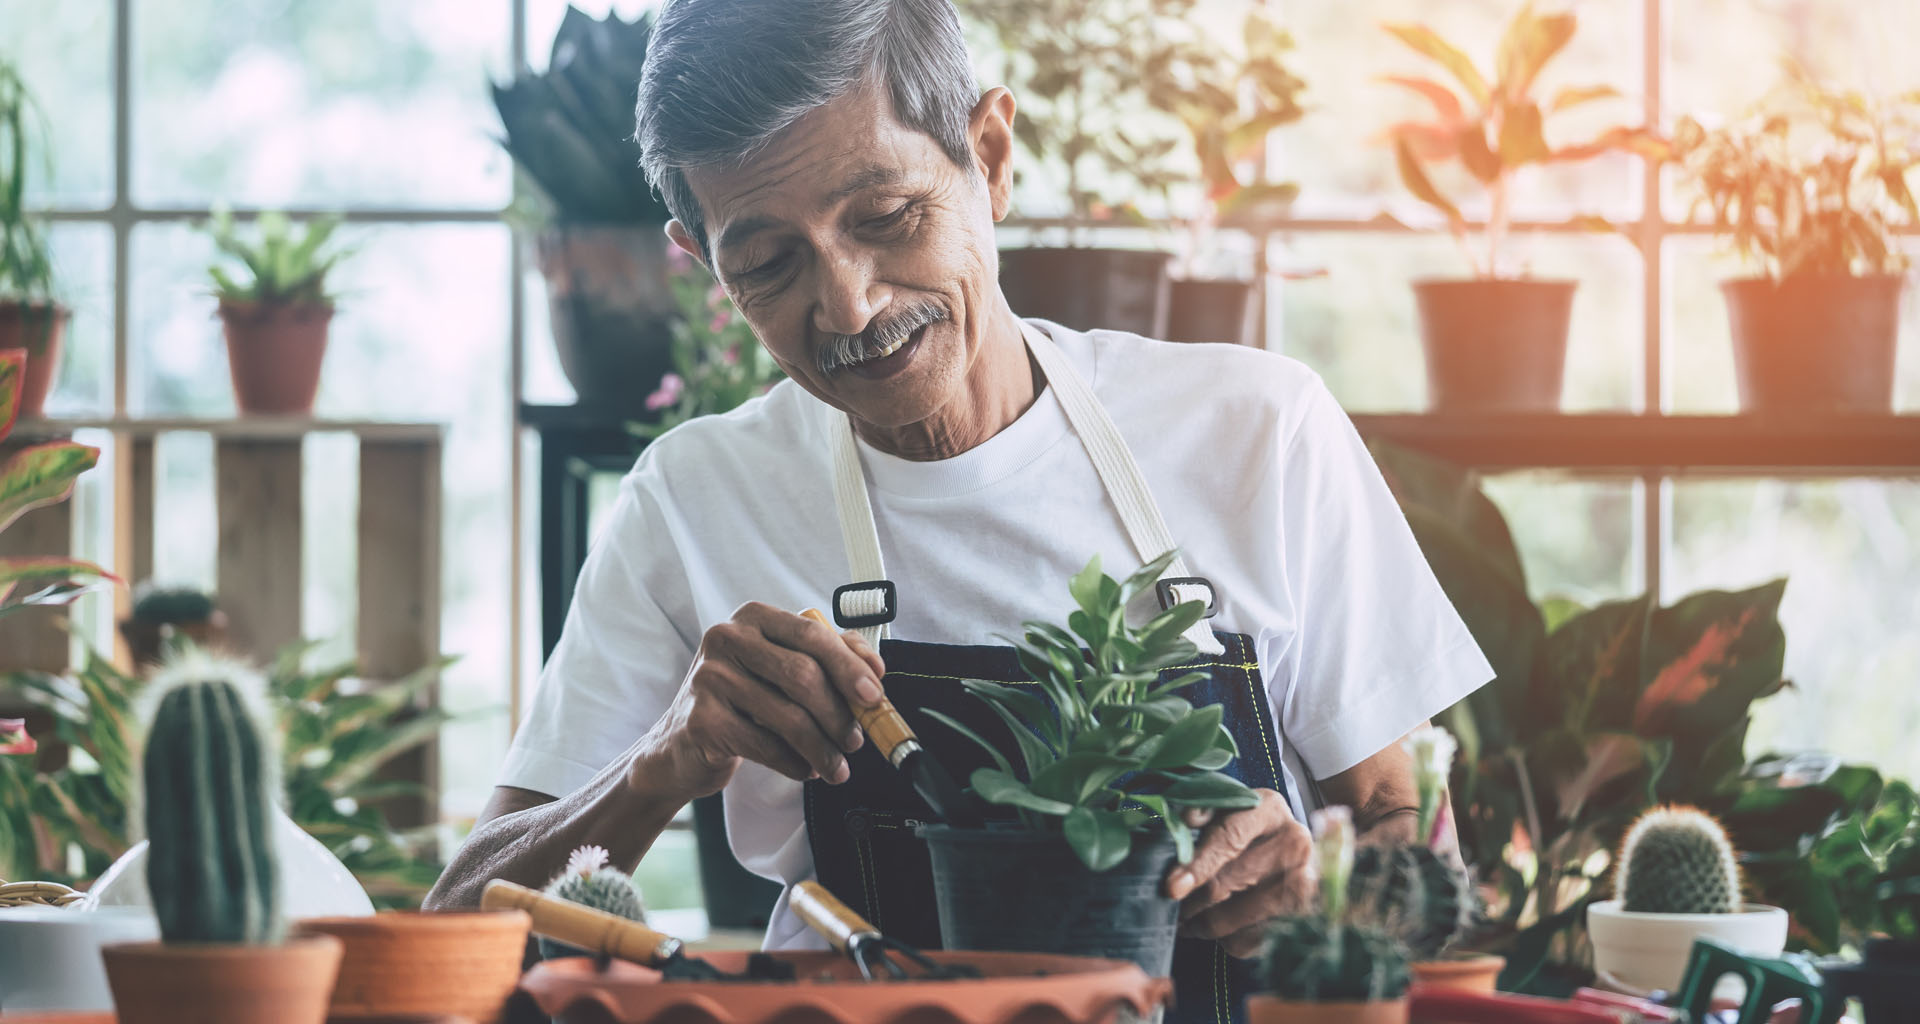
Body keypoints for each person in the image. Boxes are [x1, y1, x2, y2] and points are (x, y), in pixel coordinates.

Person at [426, 1, 1492, 1018]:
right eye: (767, 262)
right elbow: (456, 930)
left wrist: (1325, 881)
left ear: (989, 155)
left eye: (885, 218)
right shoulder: (694, 498)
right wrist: (662, 760)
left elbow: (1431, 863)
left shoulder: (1260, 429)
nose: (848, 302)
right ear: (704, 260)